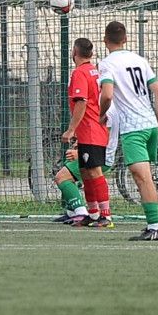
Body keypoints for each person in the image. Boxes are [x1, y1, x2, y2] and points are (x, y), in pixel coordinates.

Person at [98, 20, 158, 241]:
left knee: (143, 179)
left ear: (105, 39)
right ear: (126, 39)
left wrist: (102, 114)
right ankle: (154, 225)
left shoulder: (107, 64)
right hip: (150, 125)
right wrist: (157, 121)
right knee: (145, 178)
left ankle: (154, 227)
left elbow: (107, 95)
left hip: (134, 129)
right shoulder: (139, 59)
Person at [57, 37, 114, 228]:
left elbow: (81, 101)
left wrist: (71, 129)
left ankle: (105, 215)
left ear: (74, 52)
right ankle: (93, 213)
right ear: (91, 54)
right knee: (85, 170)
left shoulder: (80, 73)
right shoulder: (94, 71)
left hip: (90, 128)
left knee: (94, 171)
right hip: (92, 129)